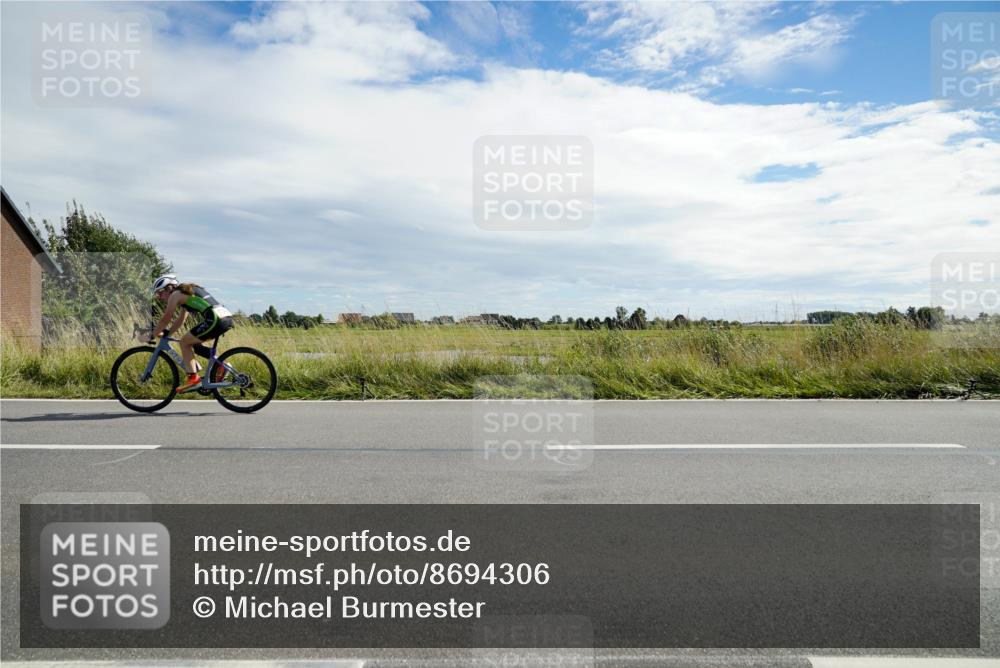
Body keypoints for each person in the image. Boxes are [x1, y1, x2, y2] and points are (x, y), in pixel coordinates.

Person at [150, 274, 234, 392]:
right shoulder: (186, 293)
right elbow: (180, 321)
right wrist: (167, 334)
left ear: (169, 288)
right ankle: (221, 365)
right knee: (195, 345)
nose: (159, 297)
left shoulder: (175, 295)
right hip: (224, 318)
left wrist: (153, 333)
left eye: (160, 293)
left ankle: (193, 378)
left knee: (184, 342)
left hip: (215, 319)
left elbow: (166, 318)